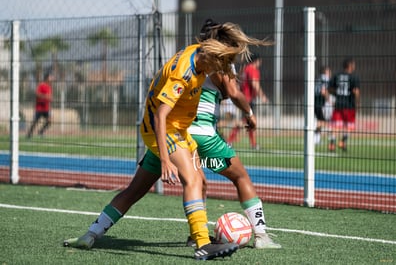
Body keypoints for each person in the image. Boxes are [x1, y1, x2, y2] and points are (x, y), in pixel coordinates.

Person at [63, 21, 269, 261]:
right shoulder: (185, 73)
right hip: (165, 131)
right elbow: (161, 115)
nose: (222, 72)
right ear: (212, 56)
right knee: (192, 178)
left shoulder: (197, 53)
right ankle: (202, 244)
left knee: (137, 191)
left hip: (179, 131)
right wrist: (164, 159)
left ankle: (90, 235)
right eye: (221, 65)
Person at [186, 19, 280, 249]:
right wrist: (249, 112)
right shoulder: (217, 59)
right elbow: (232, 92)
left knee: (198, 182)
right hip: (204, 133)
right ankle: (261, 236)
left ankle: (196, 236)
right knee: (240, 177)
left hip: (180, 135)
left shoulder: (186, 57)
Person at [227, 53, 268, 150]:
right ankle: (230, 141)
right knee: (247, 121)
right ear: (257, 61)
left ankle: (252, 144)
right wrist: (262, 96)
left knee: (247, 121)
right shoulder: (253, 70)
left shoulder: (244, 69)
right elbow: (255, 84)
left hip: (243, 98)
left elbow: (238, 81)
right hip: (248, 99)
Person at [328, 58, 360, 151]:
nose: (354, 66)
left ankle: (332, 144)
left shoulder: (336, 75)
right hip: (349, 104)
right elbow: (356, 91)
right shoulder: (354, 77)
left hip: (338, 104)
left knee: (335, 125)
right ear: (350, 65)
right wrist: (357, 102)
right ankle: (342, 141)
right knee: (349, 125)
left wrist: (337, 93)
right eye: (353, 64)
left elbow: (329, 89)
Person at [26, 71, 54, 138]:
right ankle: (29, 134)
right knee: (35, 122)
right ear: (47, 78)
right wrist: (45, 96)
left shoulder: (49, 86)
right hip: (39, 108)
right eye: (50, 77)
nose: (52, 78)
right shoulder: (41, 85)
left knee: (49, 122)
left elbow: (50, 97)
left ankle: (40, 132)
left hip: (46, 108)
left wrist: (50, 98)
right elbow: (37, 94)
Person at [314, 65, 334, 144]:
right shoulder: (326, 79)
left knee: (321, 120)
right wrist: (329, 100)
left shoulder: (318, 78)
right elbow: (323, 91)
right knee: (322, 121)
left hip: (314, 101)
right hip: (318, 102)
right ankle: (329, 135)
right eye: (329, 71)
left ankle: (317, 138)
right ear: (326, 72)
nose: (330, 73)